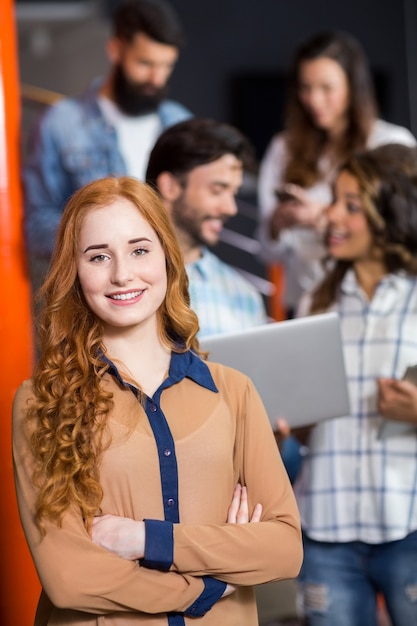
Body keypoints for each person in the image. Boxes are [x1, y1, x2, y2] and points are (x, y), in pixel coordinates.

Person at [12, 176, 303, 626]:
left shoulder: (234, 391)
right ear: (75, 272)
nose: (122, 274)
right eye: (98, 256)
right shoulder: (40, 403)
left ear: (168, 257)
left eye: (139, 250)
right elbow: (70, 578)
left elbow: (283, 550)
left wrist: (148, 540)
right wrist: (211, 584)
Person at [291, 143, 417, 626]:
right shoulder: (314, 302)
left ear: (389, 214)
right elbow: (302, 423)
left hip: (408, 522)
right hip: (326, 525)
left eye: (350, 204)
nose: (331, 216)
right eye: (333, 201)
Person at [23, 0, 192, 295]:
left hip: (169, 289)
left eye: (167, 66)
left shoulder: (180, 122)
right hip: (99, 294)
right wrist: (99, 240)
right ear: (115, 50)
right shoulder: (62, 123)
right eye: (145, 64)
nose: (157, 78)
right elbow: (36, 223)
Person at [257, 30, 416, 318]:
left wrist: (321, 218)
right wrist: (277, 224)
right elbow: (268, 250)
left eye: (326, 88)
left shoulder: (389, 145)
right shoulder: (284, 148)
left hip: (378, 299)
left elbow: (403, 227)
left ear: (353, 86)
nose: (315, 100)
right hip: (308, 302)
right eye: (305, 88)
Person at [146, 117, 268, 337]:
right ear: (170, 186)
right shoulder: (120, 282)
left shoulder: (244, 297)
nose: (230, 208)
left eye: (234, 193)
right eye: (217, 190)